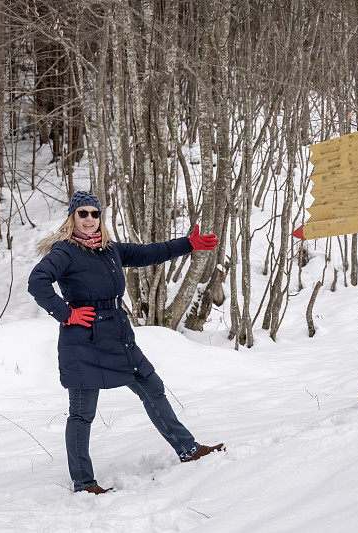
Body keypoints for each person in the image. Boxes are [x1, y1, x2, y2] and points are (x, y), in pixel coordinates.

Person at [28, 190, 225, 495]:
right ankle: (84, 483)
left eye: (95, 214)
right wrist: (66, 313)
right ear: (72, 217)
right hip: (83, 340)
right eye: (84, 214)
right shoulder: (64, 252)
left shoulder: (110, 250)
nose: (90, 219)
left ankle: (189, 449)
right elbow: (37, 281)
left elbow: (148, 253)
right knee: (82, 413)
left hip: (119, 337)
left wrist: (187, 243)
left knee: (153, 388)